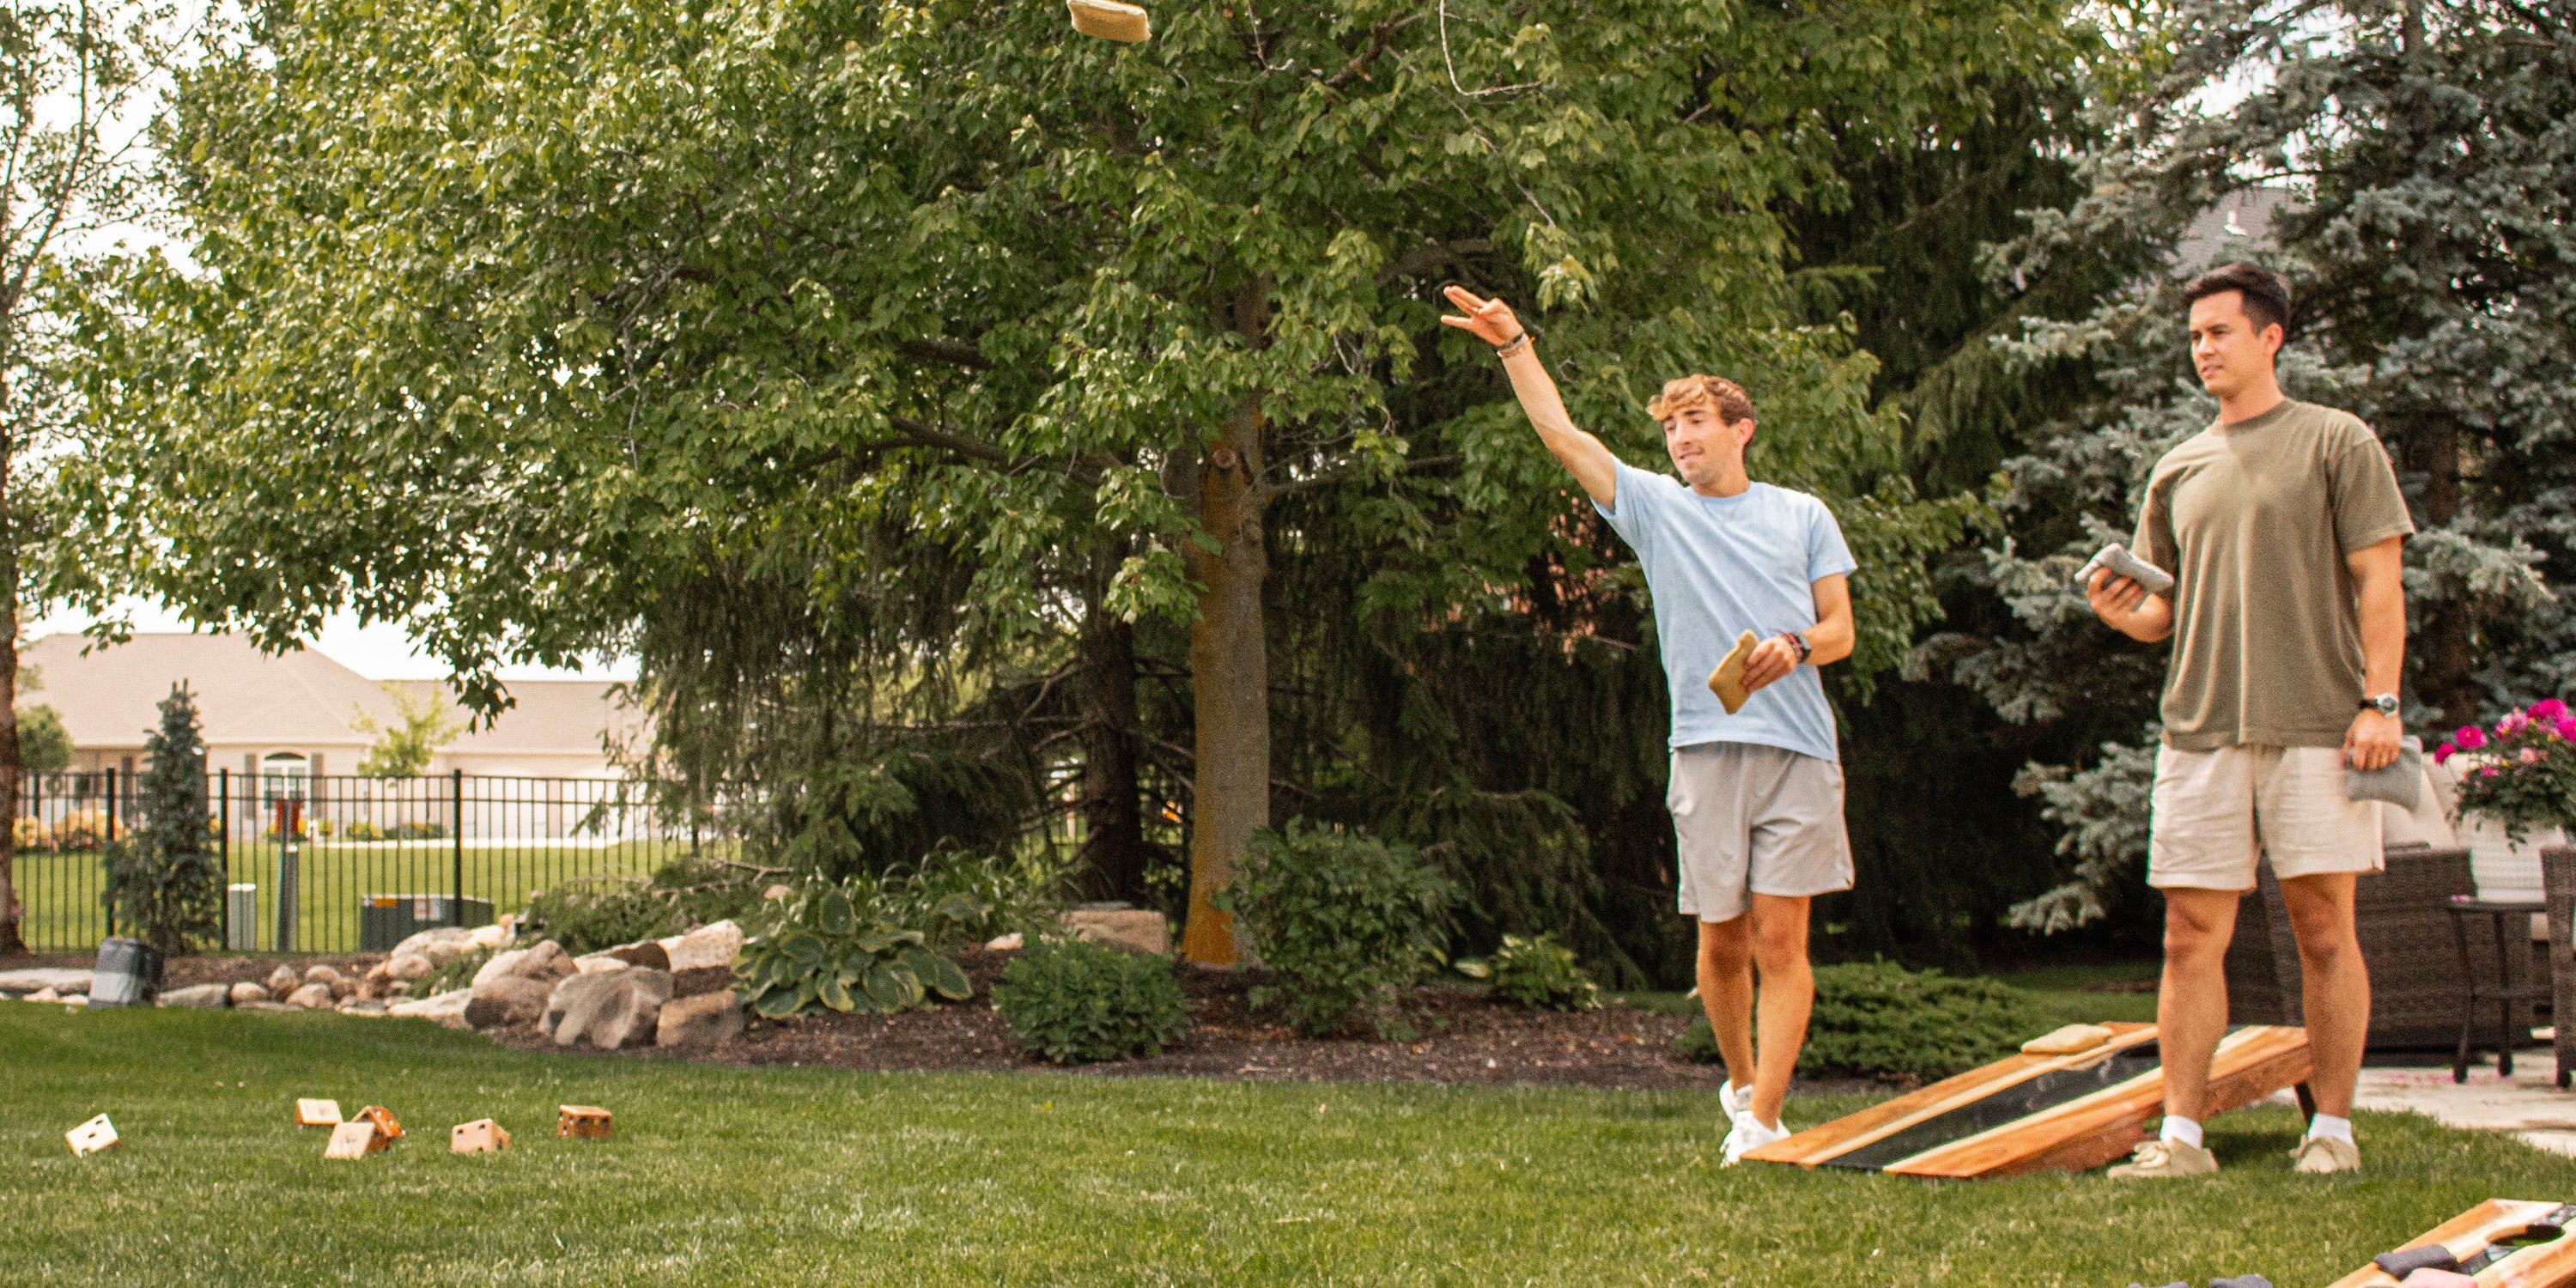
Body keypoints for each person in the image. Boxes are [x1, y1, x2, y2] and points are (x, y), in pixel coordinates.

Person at [1440, 285, 1858, 1164]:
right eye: (1670, 427)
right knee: (1722, 940)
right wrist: (1514, 345)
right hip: (1705, 749)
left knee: (1782, 940)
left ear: (1741, 430)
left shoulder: (1802, 515)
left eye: (1695, 421)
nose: (1680, 438)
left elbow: (1840, 631)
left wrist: (1795, 646)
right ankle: (1740, 1083)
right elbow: (1564, 437)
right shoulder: (1658, 510)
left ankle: (1766, 1118)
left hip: (1799, 750)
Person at [2087, 262, 2412, 1178]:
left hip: (2320, 723)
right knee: (2188, 936)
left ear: (2271, 338)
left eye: (2219, 332)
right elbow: (2162, 610)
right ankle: (2182, 1140)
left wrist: (2381, 702)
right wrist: (2122, 613)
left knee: (2323, 930)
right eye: (2195, 336)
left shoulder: (2335, 441)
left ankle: (2332, 1133)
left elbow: (2380, 582)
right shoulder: (2178, 466)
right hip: (2200, 730)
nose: (2203, 350)